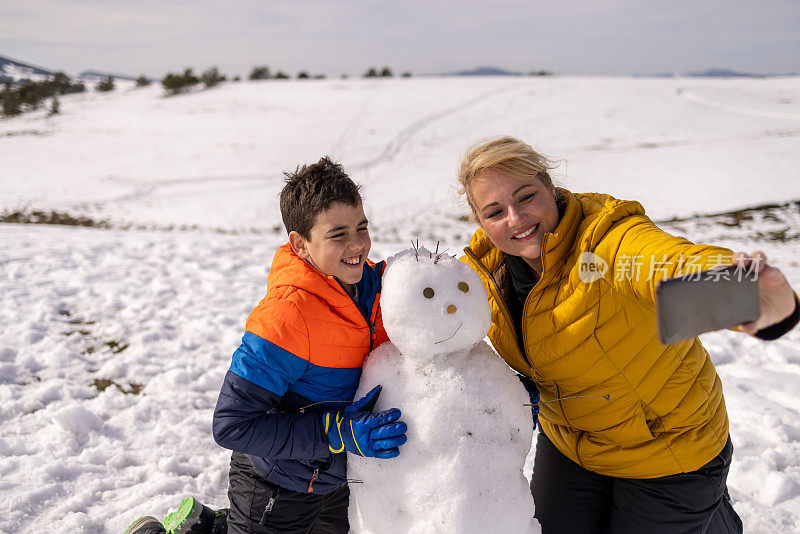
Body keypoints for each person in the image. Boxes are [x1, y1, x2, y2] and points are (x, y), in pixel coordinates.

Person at [458, 136, 800, 534]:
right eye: (495, 211)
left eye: (527, 196)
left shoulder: (604, 244)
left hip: (668, 449)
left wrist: (744, 294)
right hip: (571, 443)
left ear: (549, 186)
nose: (515, 219)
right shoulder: (488, 269)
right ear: (479, 220)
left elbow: (662, 262)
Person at [123, 157, 408, 534]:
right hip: (276, 481)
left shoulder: (378, 289)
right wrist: (337, 433)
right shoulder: (288, 315)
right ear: (301, 244)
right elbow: (232, 424)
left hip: (338, 478)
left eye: (362, 227)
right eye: (337, 234)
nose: (357, 244)